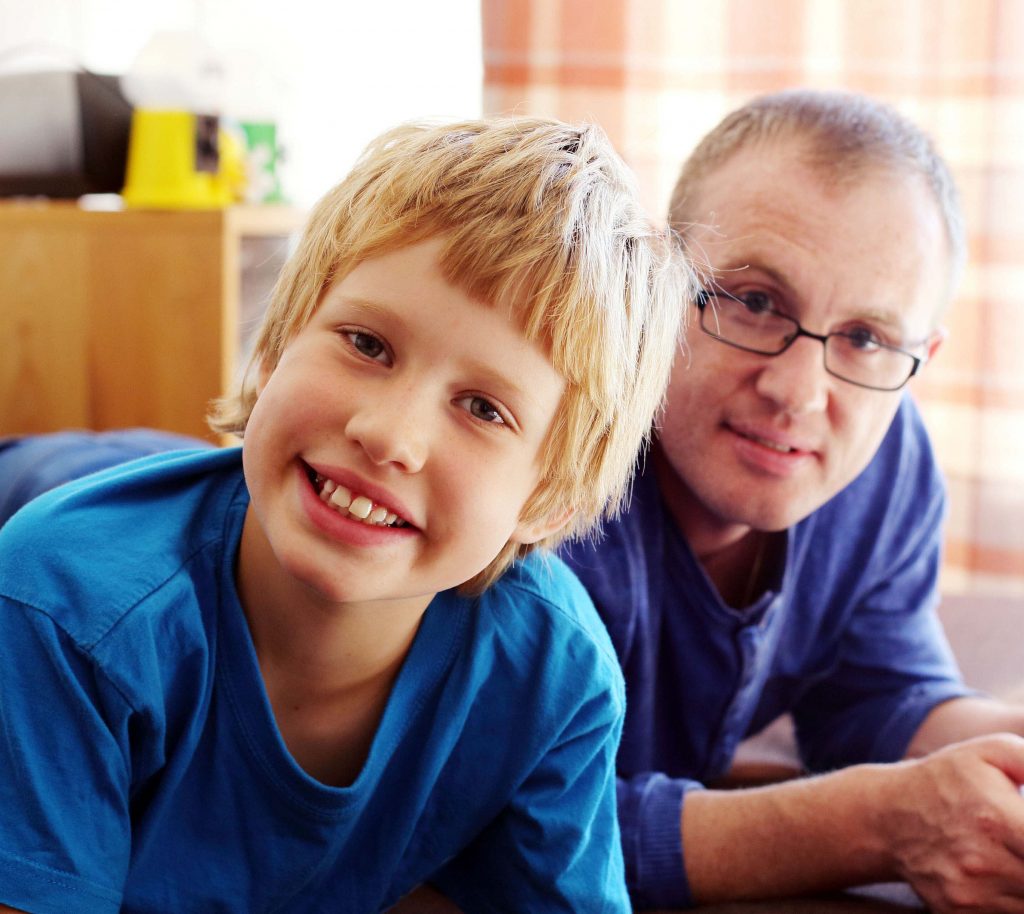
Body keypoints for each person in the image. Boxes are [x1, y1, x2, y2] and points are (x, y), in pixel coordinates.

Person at [0, 117, 689, 914]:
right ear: (273, 347)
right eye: (366, 344)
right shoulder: (62, 610)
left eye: (482, 408)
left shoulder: (554, 674)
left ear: (549, 500)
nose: (390, 434)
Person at [561, 87, 1024, 914]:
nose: (798, 392)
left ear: (922, 353)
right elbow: (510, 825)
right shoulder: (551, 461)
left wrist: (1001, 754)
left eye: (867, 338)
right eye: (755, 300)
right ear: (660, 277)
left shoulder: (888, 458)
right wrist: (881, 824)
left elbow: (875, 690)